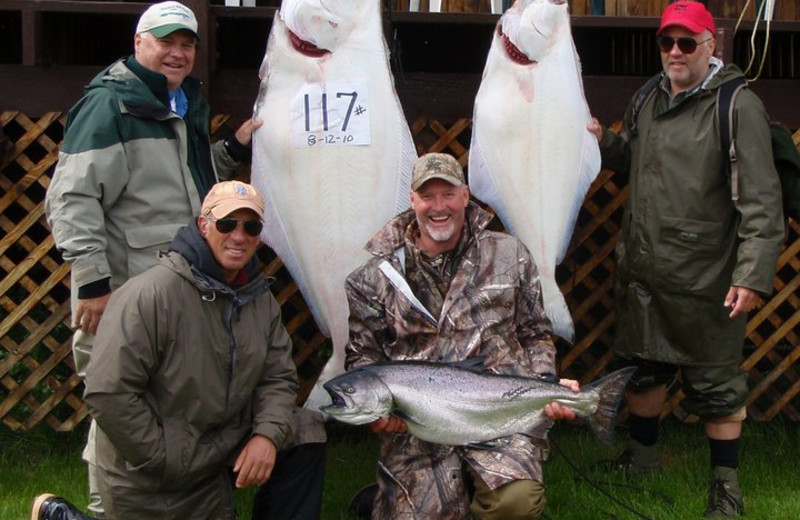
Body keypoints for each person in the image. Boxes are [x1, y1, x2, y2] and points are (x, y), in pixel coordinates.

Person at [44, 2, 262, 517]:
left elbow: (185, 178)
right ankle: (102, 511)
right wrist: (94, 282)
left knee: (163, 401)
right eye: (166, 41)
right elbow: (70, 200)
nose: (178, 53)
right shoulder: (111, 105)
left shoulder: (178, 102)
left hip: (175, 288)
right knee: (117, 403)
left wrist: (230, 149)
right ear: (139, 41)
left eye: (187, 44)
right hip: (121, 289)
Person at [587, 1, 784, 517]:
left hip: (707, 276)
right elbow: (633, 157)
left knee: (717, 384)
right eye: (666, 42)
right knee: (642, 368)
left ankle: (726, 486)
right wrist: (602, 142)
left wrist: (753, 275)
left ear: (710, 45)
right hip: (644, 270)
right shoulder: (649, 96)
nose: (674, 52)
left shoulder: (737, 106)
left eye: (686, 42)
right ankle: (644, 459)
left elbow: (762, 201)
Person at [33, 181, 325, 520]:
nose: (239, 236)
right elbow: (108, 392)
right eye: (227, 223)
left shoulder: (260, 300)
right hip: (155, 466)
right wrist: (163, 457)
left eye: (252, 226)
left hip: (221, 444)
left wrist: (266, 437)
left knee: (305, 430)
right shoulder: (150, 295)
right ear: (203, 226)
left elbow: (278, 378)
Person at [343, 152, 578, 520]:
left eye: (448, 194)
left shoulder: (509, 254)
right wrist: (378, 410)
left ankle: (485, 492)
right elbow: (363, 359)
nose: (439, 207)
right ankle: (397, 496)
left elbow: (535, 332)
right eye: (428, 196)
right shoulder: (374, 278)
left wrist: (544, 383)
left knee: (515, 505)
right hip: (417, 428)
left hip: (499, 416)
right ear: (412, 200)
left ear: (466, 196)